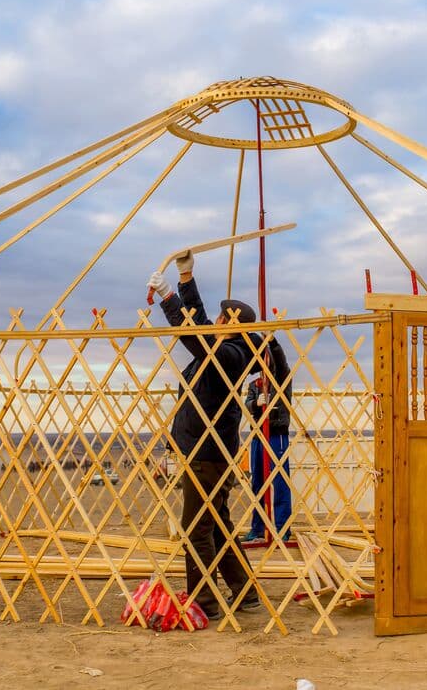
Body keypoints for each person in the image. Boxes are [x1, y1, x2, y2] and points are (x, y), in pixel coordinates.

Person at [148, 252, 262, 618]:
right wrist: (186, 278)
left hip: (206, 453)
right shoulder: (223, 347)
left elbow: (194, 332)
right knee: (218, 527)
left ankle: (204, 601)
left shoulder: (230, 354)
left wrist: (169, 298)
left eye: (220, 318)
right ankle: (245, 592)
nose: (214, 321)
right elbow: (197, 322)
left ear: (231, 323)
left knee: (196, 528)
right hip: (205, 450)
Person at [243, 336, 292, 542]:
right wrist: (255, 404)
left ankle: (282, 528)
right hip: (258, 435)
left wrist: (273, 343)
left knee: (280, 483)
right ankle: (258, 527)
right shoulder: (255, 384)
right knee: (258, 483)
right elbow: (247, 403)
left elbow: (281, 362)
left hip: (276, 434)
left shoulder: (282, 379)